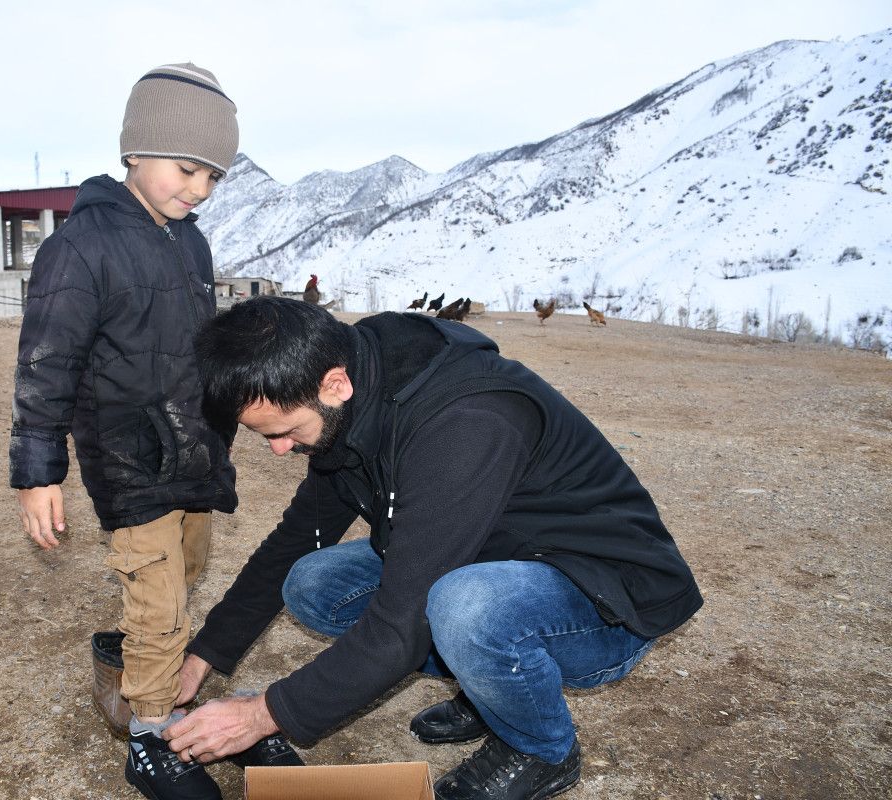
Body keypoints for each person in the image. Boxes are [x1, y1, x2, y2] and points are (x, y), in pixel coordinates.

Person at [163, 297, 703, 800]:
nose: (281, 450)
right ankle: (487, 688)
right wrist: (208, 652)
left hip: (602, 595)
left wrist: (262, 715)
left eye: (285, 432)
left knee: (461, 609)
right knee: (313, 584)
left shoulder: (466, 422)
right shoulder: (353, 386)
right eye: (267, 437)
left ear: (333, 385)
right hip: (491, 552)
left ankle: (542, 750)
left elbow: (402, 623)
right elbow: (297, 538)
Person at [9, 63, 297, 800]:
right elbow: (47, 363)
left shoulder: (190, 243)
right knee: (162, 597)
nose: (199, 190)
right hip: (127, 456)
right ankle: (148, 742)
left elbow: (202, 347)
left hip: (196, 449)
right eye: (187, 168)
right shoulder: (81, 247)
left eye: (214, 178)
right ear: (135, 149)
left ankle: (132, 652)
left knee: (188, 567)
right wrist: (40, 471)